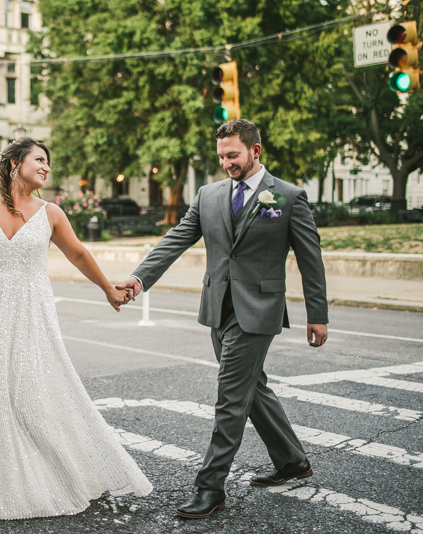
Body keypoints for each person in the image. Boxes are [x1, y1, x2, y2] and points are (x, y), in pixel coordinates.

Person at [0, 137, 152, 520]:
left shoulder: (51, 213)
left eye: (48, 162)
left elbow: (78, 252)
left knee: (31, 394)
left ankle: (61, 472)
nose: (46, 167)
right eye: (39, 160)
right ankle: (0, 478)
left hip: (31, 313)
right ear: (14, 163)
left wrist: (108, 288)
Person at [117, 119, 328, 520]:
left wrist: (317, 314)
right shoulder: (209, 195)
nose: (226, 163)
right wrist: (140, 277)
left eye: (233, 155)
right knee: (253, 389)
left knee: (230, 399)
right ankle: (292, 461)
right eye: (221, 156)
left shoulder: (288, 196)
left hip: (259, 311)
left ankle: (210, 487)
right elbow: (178, 237)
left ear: (255, 151)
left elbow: (310, 258)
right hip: (218, 308)